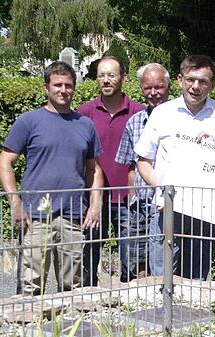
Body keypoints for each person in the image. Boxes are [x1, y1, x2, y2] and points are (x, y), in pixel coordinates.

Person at [0, 61, 102, 295]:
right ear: (46, 88)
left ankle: (68, 330)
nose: (63, 90)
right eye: (57, 85)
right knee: (30, 285)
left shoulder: (85, 125)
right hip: (35, 216)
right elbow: (4, 162)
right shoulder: (28, 121)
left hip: (72, 216)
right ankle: (28, 328)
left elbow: (93, 170)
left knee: (72, 286)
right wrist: (15, 203)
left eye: (68, 85)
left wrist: (95, 205)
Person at [134, 55, 215, 280]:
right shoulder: (162, 113)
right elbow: (143, 160)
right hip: (167, 208)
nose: (196, 86)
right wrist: (162, 190)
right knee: (163, 279)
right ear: (180, 80)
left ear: (213, 84)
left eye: (203, 81)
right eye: (190, 80)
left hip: (205, 210)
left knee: (196, 281)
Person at [77, 55, 144, 284]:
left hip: (128, 200)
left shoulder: (139, 112)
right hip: (94, 200)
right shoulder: (84, 113)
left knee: (131, 259)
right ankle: (86, 300)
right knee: (89, 256)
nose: (106, 80)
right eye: (102, 75)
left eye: (111, 75)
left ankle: (131, 306)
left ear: (123, 78)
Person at [114, 63, 171, 279]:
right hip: (141, 204)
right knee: (138, 262)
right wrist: (131, 202)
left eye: (158, 87)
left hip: (168, 203)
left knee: (164, 260)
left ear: (168, 86)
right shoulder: (134, 122)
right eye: (148, 88)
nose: (153, 93)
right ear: (141, 88)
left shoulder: (179, 120)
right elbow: (130, 165)